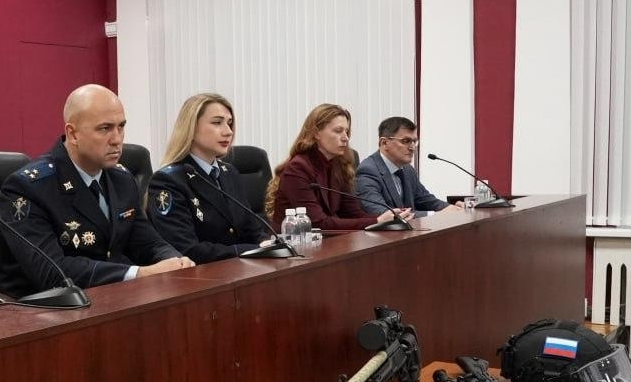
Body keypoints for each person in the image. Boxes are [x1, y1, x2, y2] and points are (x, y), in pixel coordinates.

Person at [0, 84, 193, 297]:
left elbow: (147, 241)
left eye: (121, 126)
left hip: (113, 299)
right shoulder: (29, 188)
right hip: (47, 309)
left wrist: (175, 260)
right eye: (105, 128)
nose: (117, 139)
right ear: (73, 134)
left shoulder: (122, 179)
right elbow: (52, 272)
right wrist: (139, 273)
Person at [147, 93, 268, 262]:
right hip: (201, 274)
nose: (228, 132)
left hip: (241, 269)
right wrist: (251, 250)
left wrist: (267, 244)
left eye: (229, 123)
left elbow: (253, 229)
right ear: (191, 128)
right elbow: (187, 249)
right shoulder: (168, 181)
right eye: (217, 123)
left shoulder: (230, 172)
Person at [264, 103, 407, 230]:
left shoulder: (339, 164)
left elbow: (352, 213)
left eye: (346, 132)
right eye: (338, 131)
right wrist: (377, 221)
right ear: (316, 133)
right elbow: (317, 222)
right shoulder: (298, 168)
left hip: (328, 241)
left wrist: (388, 219)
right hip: (295, 244)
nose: (346, 137)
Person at [355, 116, 462, 216]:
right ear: (384, 143)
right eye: (406, 141)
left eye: (414, 141)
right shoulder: (368, 171)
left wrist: (453, 208)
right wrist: (436, 214)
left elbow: (425, 200)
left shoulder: (407, 169)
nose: (412, 147)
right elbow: (384, 214)